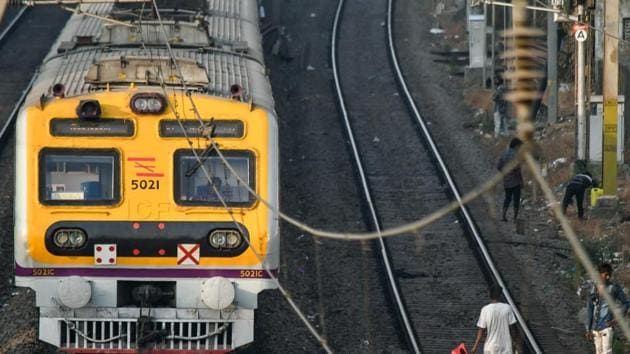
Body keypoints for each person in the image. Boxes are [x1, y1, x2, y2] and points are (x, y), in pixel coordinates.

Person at [585, 263, 630, 354]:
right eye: (605, 274)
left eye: (609, 274)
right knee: (599, 352)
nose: (608, 277)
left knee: (607, 351)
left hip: (607, 327)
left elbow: (626, 303)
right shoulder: (593, 288)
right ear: (599, 274)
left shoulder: (614, 288)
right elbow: (590, 308)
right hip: (595, 328)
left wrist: (617, 319)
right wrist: (588, 329)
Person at [470, 284, 517, 354]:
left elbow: (481, 330)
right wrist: (516, 344)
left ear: (490, 295)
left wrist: (475, 347)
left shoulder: (485, 310)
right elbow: (512, 329)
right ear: (500, 295)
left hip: (490, 347)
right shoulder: (508, 308)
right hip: (505, 347)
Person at [496, 138, 523, 222]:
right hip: (516, 181)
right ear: (516, 146)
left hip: (507, 180)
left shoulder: (504, 153)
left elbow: (499, 166)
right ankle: (515, 218)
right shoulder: (516, 155)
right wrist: (521, 180)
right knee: (516, 199)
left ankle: (503, 216)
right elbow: (517, 169)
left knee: (507, 198)